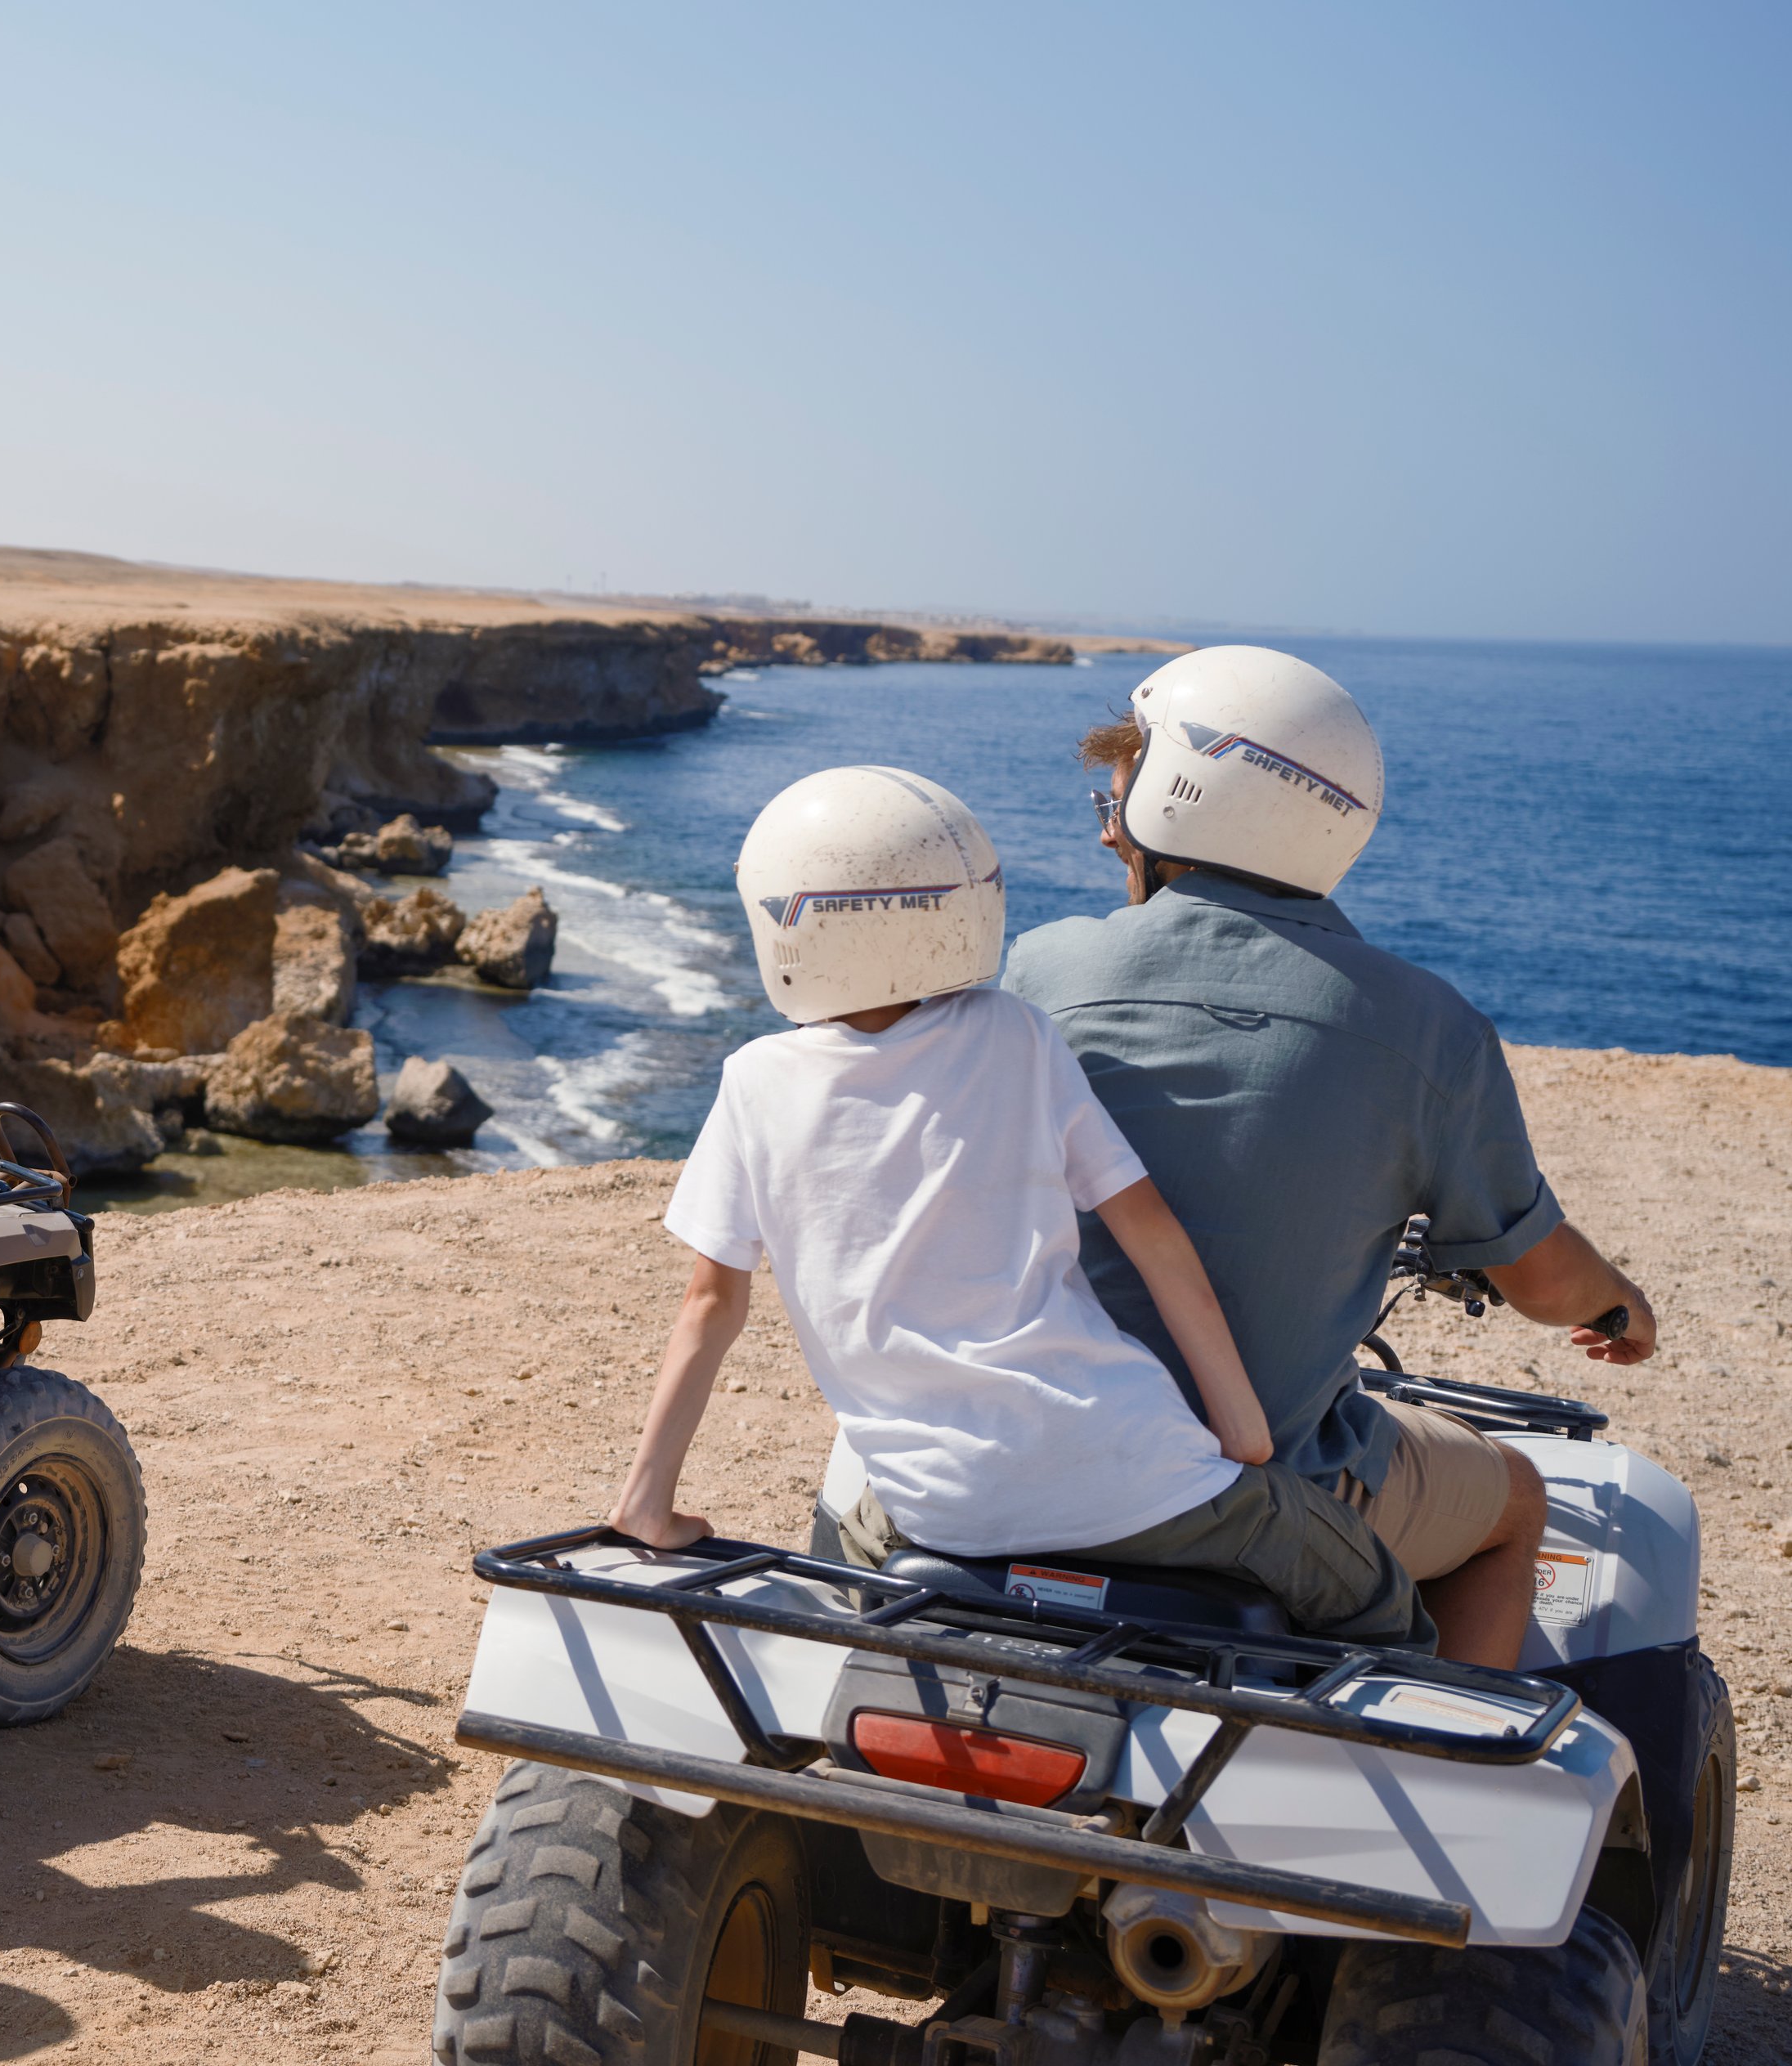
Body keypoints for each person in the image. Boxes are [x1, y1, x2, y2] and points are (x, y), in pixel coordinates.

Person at [611, 764, 1422, 1646]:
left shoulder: (753, 1083)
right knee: (1377, 1604)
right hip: (1135, 1472)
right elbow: (1150, 1234)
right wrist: (1240, 1429)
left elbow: (709, 1305)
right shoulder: (1013, 1034)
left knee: (842, 1565)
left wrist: (646, 1502)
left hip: (939, 1512)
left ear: (786, 922)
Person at [1001, 647, 1656, 1668]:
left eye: (1113, 805)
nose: (1105, 830)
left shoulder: (1036, 969)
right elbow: (1536, 1275)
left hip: (1029, 1456)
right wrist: (1616, 1307)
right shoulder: (1428, 1030)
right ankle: (1445, 1771)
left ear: (1172, 806)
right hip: (1263, 1487)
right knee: (1517, 1505)